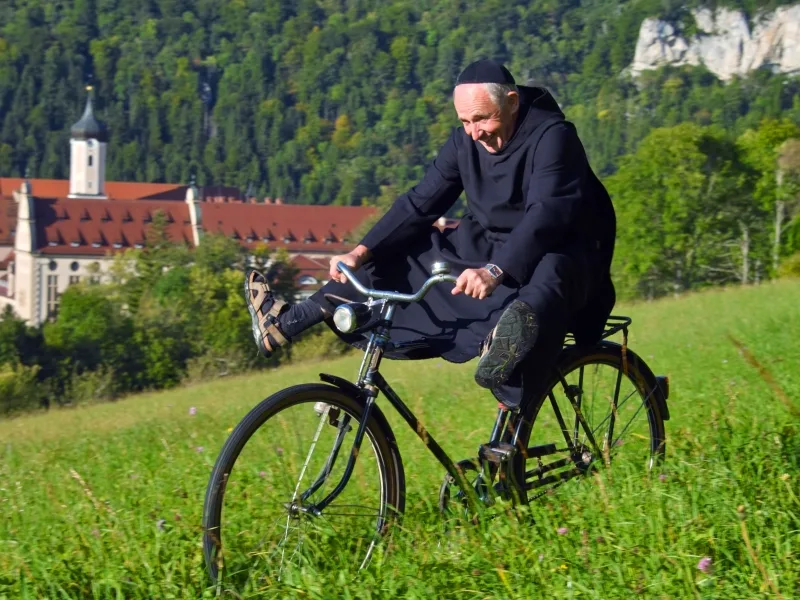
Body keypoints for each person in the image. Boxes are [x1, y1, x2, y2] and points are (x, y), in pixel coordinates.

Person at [245, 59, 616, 409]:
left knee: (536, 300)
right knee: (403, 257)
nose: (474, 132)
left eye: (482, 119)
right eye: (465, 121)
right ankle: (287, 321)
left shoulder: (554, 137)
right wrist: (361, 252)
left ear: (513, 102)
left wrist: (495, 270)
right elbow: (420, 204)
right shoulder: (465, 142)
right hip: (493, 246)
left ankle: (505, 359)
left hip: (566, 249)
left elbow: (547, 214)